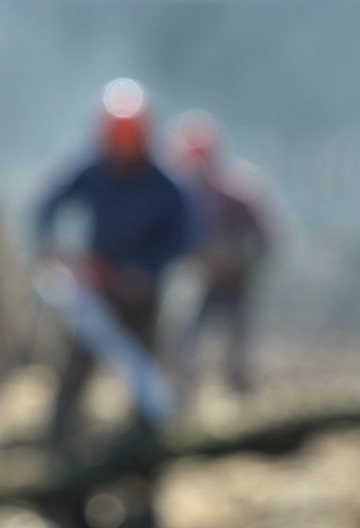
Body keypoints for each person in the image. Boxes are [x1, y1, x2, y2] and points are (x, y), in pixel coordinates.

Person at [35, 78, 194, 455]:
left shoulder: (164, 185)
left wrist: (146, 270)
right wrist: (51, 249)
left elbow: (183, 237)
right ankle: (59, 445)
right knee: (75, 370)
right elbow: (47, 205)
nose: (122, 146)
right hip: (96, 289)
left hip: (143, 295)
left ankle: (144, 451)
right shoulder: (92, 172)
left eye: (130, 136)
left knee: (143, 373)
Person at [166, 109, 277, 398]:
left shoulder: (239, 189)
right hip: (201, 282)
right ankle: (181, 402)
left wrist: (232, 255)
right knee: (184, 345)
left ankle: (245, 410)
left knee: (237, 353)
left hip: (238, 284)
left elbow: (268, 239)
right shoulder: (180, 195)